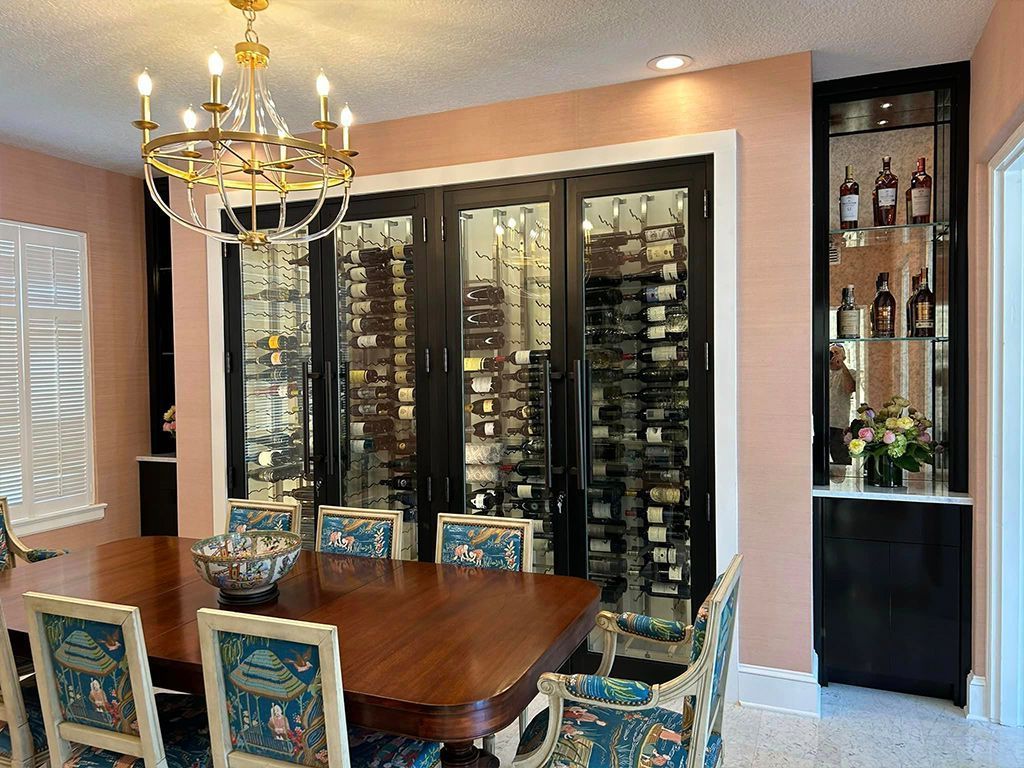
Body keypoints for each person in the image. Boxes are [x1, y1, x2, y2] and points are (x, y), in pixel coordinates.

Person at [829, 344, 856, 465]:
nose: (833, 355)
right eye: (831, 352)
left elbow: (850, 388)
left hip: (839, 425)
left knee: (841, 462)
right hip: (818, 424)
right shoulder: (820, 372)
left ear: (844, 357)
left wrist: (841, 365)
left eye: (837, 353)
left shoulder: (849, 373)